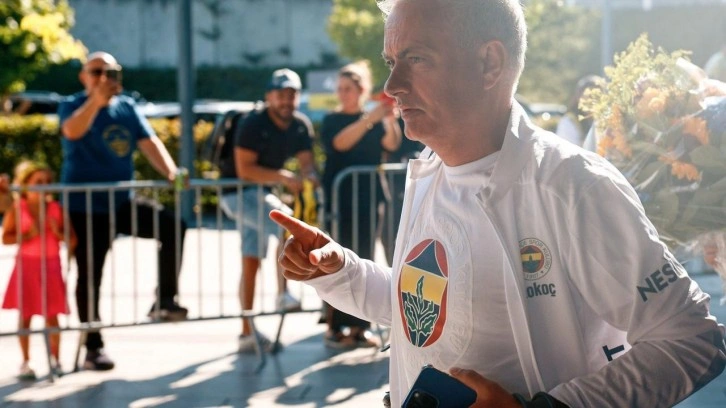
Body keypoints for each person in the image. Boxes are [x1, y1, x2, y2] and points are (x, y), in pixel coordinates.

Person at [270, 0, 726, 407]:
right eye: (391, 62)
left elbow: (692, 340)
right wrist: (339, 270)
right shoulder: (429, 172)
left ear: (490, 63)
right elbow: (424, 309)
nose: (392, 86)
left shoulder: (573, 186)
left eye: (416, 59)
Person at [58, 52, 188, 371]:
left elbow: (149, 142)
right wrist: (96, 101)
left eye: (111, 71)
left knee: (172, 225)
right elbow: (72, 131)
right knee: (90, 275)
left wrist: (171, 172)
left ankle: (164, 300)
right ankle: (93, 347)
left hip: (121, 201)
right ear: (84, 77)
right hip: (85, 207)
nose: (104, 77)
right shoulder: (72, 104)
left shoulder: (127, 107)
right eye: (96, 72)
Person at [219, 68, 318, 353]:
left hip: (262, 194)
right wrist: (284, 177)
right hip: (236, 193)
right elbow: (245, 170)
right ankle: (283, 293)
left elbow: (307, 164)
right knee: (287, 223)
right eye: (280, 95)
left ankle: (246, 333)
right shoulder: (252, 123)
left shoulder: (300, 125)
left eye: (292, 95)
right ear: (268, 96)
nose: (286, 100)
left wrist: (309, 176)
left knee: (250, 261)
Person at [320, 61, 401, 348]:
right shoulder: (332, 120)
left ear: (361, 91)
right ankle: (334, 325)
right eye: (340, 88)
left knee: (364, 257)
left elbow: (391, 144)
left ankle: (359, 327)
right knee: (336, 258)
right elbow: (340, 144)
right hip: (340, 198)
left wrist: (388, 119)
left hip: (369, 196)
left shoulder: (373, 118)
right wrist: (369, 119)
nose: (343, 94)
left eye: (348, 89)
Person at [2, 161, 77, 380]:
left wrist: (57, 232)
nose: (43, 185)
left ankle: (56, 360)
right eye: (38, 181)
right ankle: (26, 362)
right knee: (25, 316)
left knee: (52, 316)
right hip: (26, 266)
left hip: (51, 266)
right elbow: (6, 238)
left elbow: (72, 239)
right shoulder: (18, 208)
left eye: (46, 181)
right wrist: (27, 235)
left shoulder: (56, 209)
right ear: (26, 184)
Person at [555, 75, 601, 146]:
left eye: (598, 96)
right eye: (590, 96)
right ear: (579, 97)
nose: (594, 100)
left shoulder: (603, 121)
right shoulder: (568, 122)